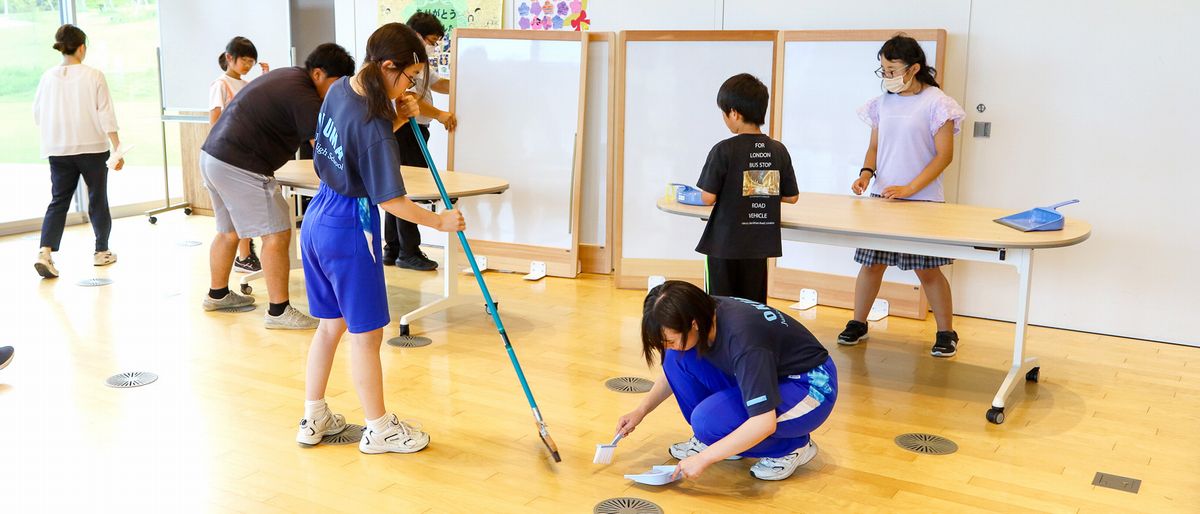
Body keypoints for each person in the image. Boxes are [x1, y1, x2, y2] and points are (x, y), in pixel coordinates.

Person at [293, 23, 465, 454]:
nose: (411, 84)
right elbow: (391, 201)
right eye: (409, 77)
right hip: (351, 227)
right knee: (367, 335)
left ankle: (313, 416)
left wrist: (403, 112)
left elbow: (352, 137)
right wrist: (439, 221)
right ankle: (379, 428)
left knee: (330, 326)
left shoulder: (340, 90)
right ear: (389, 66)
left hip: (317, 218)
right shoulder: (374, 125)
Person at [199, 43, 355, 329]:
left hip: (213, 157)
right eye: (336, 84)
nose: (337, 92)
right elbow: (321, 147)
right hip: (240, 163)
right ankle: (278, 311)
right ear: (318, 74)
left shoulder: (288, 77)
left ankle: (217, 294)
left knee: (228, 231)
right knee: (277, 233)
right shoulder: (305, 95)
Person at [615, 281, 837, 481]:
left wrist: (705, 458)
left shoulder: (744, 339)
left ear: (693, 324)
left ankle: (792, 447)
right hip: (769, 373)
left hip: (810, 386)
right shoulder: (703, 312)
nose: (665, 346)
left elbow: (763, 422)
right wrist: (640, 410)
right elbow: (673, 373)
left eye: (669, 340)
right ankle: (723, 439)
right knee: (675, 358)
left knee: (707, 424)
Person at [839, 34, 967, 358]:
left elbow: (944, 156)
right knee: (871, 265)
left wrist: (911, 188)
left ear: (914, 69)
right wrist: (866, 174)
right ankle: (858, 322)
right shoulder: (882, 103)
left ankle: (946, 332)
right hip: (884, 199)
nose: (887, 76)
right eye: (882, 69)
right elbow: (874, 148)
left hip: (922, 201)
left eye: (892, 70)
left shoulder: (938, 103)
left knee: (927, 270)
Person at [694, 73, 799, 304]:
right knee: (753, 306)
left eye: (724, 113)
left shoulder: (723, 150)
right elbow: (791, 197)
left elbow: (708, 197)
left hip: (724, 245)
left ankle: (723, 342)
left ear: (734, 113)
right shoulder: (777, 150)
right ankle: (752, 340)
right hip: (759, 245)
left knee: (719, 306)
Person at [32, 24, 124, 279]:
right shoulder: (93, 75)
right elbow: (105, 114)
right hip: (92, 148)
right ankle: (101, 251)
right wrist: (117, 148)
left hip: (58, 149)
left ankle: (45, 252)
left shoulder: (47, 76)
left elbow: (37, 114)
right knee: (97, 198)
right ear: (82, 47)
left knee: (58, 200)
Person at [381, 11, 459, 271]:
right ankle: (408, 251)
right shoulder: (404, 60)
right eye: (431, 40)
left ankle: (392, 249)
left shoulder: (419, 60)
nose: (432, 46)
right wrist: (440, 115)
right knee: (407, 189)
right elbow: (410, 96)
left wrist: (471, 78)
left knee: (396, 186)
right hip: (406, 128)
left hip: (412, 129)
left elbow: (438, 84)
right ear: (415, 34)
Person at [208, 36, 269, 274]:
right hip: (226, 154)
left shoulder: (245, 85)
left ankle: (245, 256)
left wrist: (263, 79)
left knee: (241, 209)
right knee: (236, 211)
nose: (247, 65)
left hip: (245, 152)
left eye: (251, 61)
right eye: (244, 60)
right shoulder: (220, 85)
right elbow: (214, 120)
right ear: (230, 58)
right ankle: (244, 256)